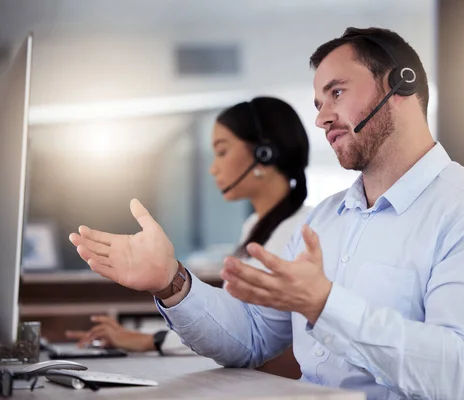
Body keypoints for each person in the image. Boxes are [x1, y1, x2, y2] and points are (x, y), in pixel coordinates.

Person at [69, 27, 464, 400]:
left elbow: (463, 379)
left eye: (336, 93)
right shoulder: (325, 221)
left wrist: (325, 305)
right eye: (318, 103)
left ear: (402, 84)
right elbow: (252, 339)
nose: (320, 118)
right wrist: (171, 282)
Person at [66, 97, 312, 367]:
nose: (213, 168)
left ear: (264, 153)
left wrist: (152, 339)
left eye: (222, 151)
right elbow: (237, 328)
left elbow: (258, 339)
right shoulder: (256, 227)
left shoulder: (301, 231)